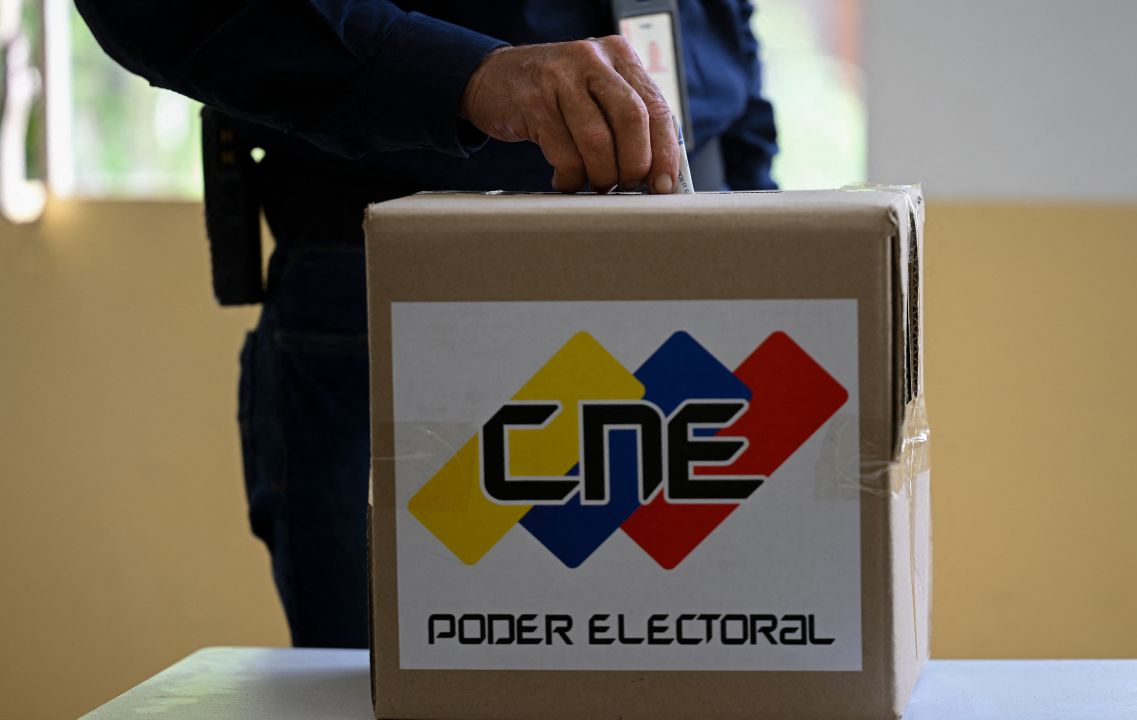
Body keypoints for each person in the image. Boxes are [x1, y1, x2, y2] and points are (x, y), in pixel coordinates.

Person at [75, 0, 778, 648]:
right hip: (404, 292)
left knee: (698, 668)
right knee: (424, 673)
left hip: (694, 292)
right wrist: (466, 75)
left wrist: (772, 249)